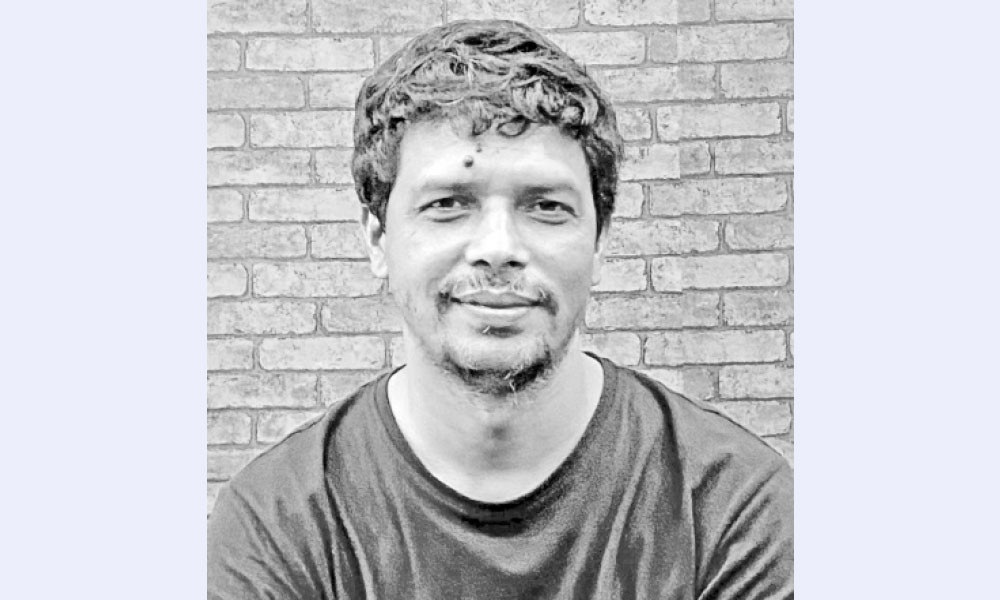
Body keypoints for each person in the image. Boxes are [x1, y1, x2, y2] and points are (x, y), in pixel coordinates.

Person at [208, 19, 792, 599]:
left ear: (600, 240)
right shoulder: (278, 526)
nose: (498, 248)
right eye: (447, 204)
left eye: (546, 206)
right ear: (378, 237)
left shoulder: (731, 509)